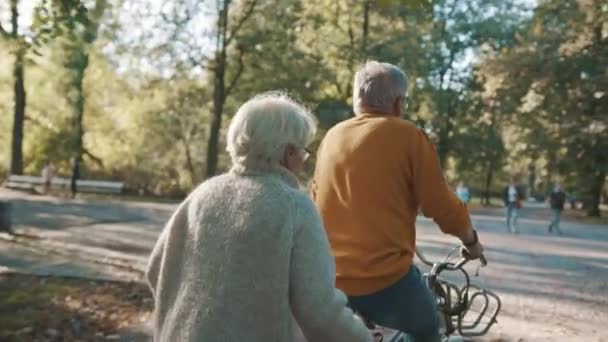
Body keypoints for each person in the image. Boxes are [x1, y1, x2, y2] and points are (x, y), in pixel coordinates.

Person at [145, 92, 372, 342]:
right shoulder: (293, 206)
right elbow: (319, 310)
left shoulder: (201, 195)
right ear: (288, 153)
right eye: (303, 151)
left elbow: (156, 270)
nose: (303, 161)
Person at [311, 61, 483, 342]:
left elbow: (315, 200)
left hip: (330, 279)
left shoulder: (332, 137)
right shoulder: (409, 136)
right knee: (428, 326)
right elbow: (441, 205)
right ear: (399, 103)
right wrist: (471, 241)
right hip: (386, 281)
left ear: (357, 100)